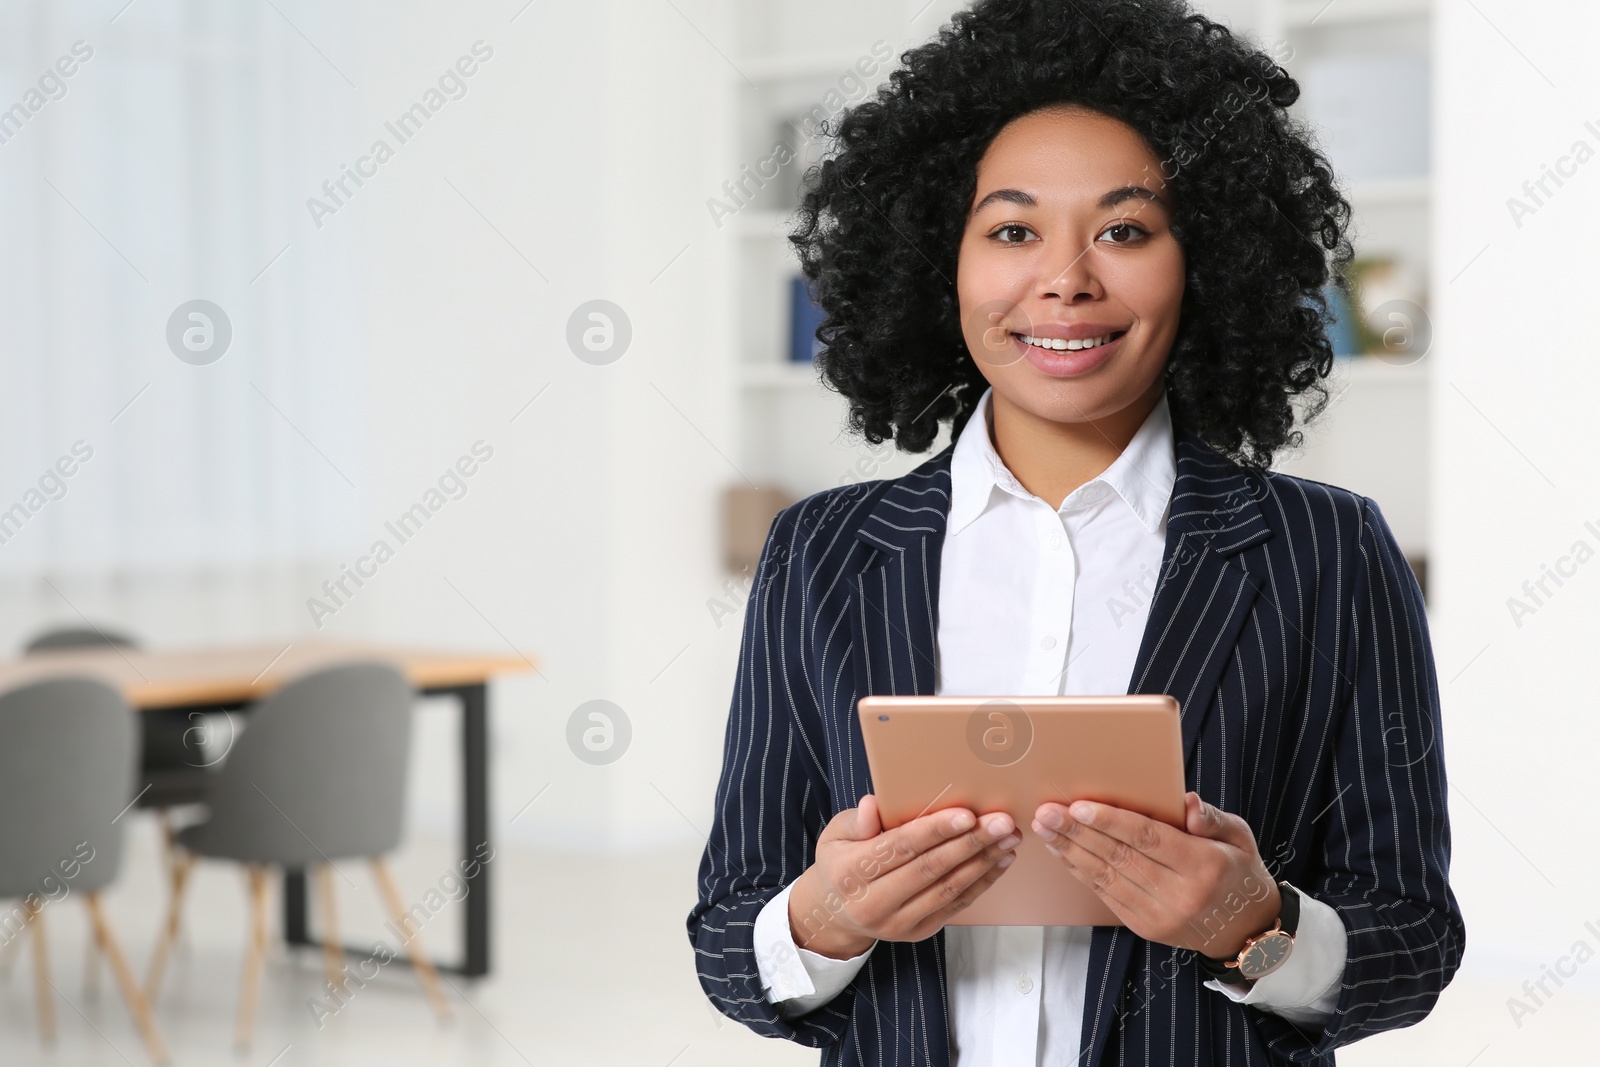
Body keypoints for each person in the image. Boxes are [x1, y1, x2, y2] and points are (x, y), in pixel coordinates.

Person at [686, 2, 1464, 1064]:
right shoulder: (824, 552)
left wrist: (1254, 923)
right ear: (937, 259)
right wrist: (826, 916)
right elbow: (730, 932)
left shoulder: (1327, 552)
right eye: (1011, 229)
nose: (1065, 278)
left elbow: (1413, 937)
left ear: (1207, 261)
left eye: (1125, 230)